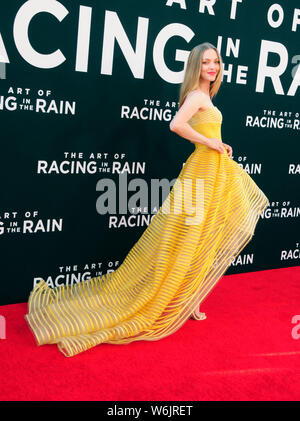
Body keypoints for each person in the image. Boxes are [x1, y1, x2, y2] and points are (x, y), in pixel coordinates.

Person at [25, 42, 270, 357]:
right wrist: (209, 141)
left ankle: (189, 300)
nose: (212, 67)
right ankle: (184, 300)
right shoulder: (196, 96)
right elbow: (176, 124)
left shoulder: (205, 96)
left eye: (216, 62)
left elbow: (201, 130)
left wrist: (218, 144)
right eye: (206, 62)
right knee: (193, 237)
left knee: (201, 238)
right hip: (203, 173)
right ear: (196, 66)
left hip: (211, 169)